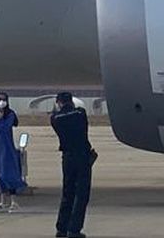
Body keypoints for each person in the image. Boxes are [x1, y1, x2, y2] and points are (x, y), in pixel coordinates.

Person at [51, 92, 95, 238]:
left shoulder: (55, 119)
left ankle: (62, 227)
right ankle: (74, 228)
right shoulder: (80, 114)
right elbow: (81, 112)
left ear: (59, 103)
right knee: (81, 194)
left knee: (67, 192)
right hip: (82, 156)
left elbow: (56, 115)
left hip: (67, 157)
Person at [0, 93, 26, 211]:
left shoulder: (10, 114)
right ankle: (2, 201)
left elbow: (7, 126)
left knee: (9, 173)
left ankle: (13, 201)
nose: (1, 102)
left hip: (7, 147)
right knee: (0, 175)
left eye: (3, 100)